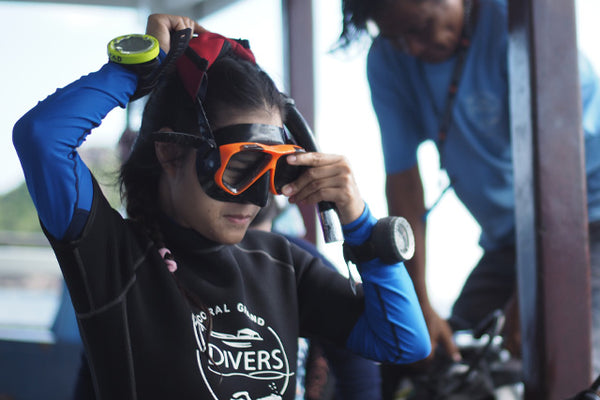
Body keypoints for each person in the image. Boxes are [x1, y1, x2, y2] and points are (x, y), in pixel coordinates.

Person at [13, 13, 431, 399]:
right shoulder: (112, 256)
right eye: (240, 166)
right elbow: (42, 137)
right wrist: (140, 67)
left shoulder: (282, 264)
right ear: (169, 153)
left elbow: (404, 342)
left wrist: (360, 223)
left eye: (273, 169)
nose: (257, 197)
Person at [336, 0, 600, 394]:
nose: (412, 48)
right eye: (396, 37)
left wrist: (533, 294)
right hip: (510, 241)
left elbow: (558, 171)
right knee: (446, 357)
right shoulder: (389, 61)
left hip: (584, 224)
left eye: (421, 28)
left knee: (559, 356)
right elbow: (405, 184)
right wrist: (419, 305)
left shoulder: (517, 20)